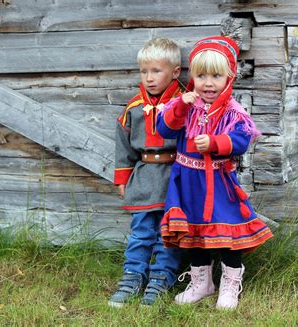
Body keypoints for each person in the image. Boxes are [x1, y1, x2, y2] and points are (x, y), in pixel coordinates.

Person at [156, 36, 273, 310]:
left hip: (218, 183)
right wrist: (180, 105)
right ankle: (202, 283)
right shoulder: (185, 106)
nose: (208, 83)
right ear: (192, 77)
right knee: (194, 232)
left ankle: (230, 283)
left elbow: (241, 141)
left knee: (228, 234)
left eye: (216, 76)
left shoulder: (232, 112)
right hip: (186, 182)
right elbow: (164, 130)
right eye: (201, 76)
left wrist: (215, 144)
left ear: (229, 77)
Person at [109, 38, 182, 307]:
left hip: (174, 177)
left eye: (156, 71)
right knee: (141, 231)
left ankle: (162, 276)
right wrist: (122, 177)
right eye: (144, 71)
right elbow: (123, 144)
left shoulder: (183, 105)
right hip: (143, 175)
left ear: (175, 72)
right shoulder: (134, 108)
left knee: (169, 231)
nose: (149, 78)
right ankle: (133, 275)